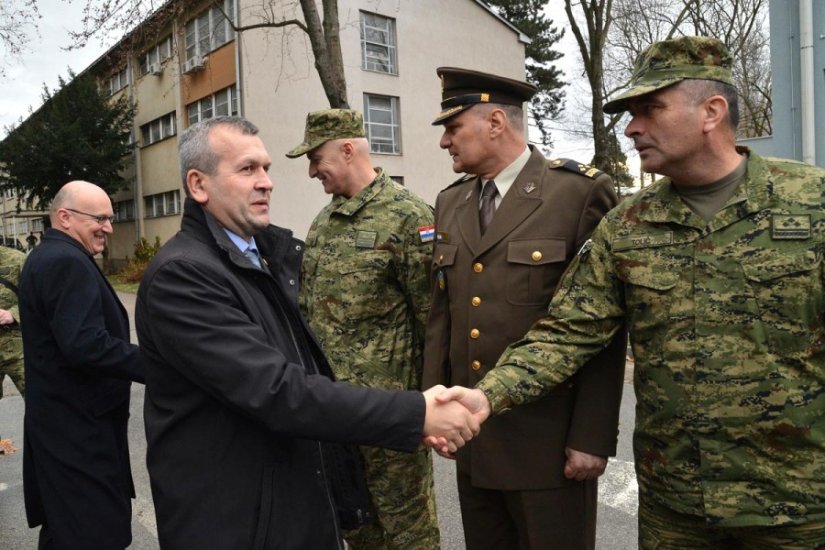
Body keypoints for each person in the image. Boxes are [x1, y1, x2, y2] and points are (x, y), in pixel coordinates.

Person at [435, 36, 825, 548]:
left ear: (711, 111)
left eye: (650, 109)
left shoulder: (811, 205)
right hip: (676, 509)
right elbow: (568, 332)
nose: (631, 127)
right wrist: (486, 397)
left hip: (796, 507)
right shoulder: (628, 225)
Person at [136, 115, 479, 549]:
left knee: (407, 533)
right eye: (247, 170)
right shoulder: (185, 275)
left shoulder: (258, 255)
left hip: (352, 423)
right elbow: (276, 389)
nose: (267, 182)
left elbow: (430, 320)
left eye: (265, 168)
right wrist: (417, 413)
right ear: (199, 185)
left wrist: (428, 396)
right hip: (244, 514)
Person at [423, 67, 627, 550]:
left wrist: (592, 435)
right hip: (474, 438)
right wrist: (433, 407)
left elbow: (601, 327)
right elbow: (443, 315)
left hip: (549, 446)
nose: (444, 142)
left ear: (495, 122)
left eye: (453, 128)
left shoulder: (576, 194)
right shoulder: (450, 203)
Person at [286, 108, 440, 549]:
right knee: (356, 528)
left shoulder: (409, 217)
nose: (313, 170)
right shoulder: (323, 223)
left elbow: (431, 318)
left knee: (408, 531)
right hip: (333, 410)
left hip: (390, 411)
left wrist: (427, 405)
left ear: (348, 149)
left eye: (316, 158)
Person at [18, 180, 143, 549]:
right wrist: (160, 365)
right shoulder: (64, 262)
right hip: (78, 433)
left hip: (65, 426)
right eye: (100, 218)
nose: (108, 226)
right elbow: (86, 344)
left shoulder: (52, 256)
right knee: (94, 532)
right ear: (65, 217)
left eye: (110, 218)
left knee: (66, 529)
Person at [0, 245, 27, 399]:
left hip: (19, 347)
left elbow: (36, 297)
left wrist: (13, 314)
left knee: (39, 402)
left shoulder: (18, 259)